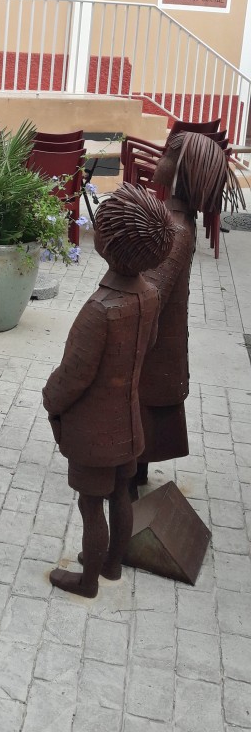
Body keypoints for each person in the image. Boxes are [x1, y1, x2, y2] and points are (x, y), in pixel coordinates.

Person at [42, 183, 175, 598]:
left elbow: (73, 375)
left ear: (107, 241)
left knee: (90, 505)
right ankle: (112, 564)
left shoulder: (100, 310)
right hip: (128, 424)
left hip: (94, 431)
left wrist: (50, 399)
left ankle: (88, 580)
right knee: (120, 491)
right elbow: (148, 345)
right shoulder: (149, 296)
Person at [135, 131, 227, 488]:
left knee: (139, 407)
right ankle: (136, 471)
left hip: (152, 348)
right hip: (161, 346)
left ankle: (128, 478)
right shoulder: (177, 221)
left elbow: (150, 295)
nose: (159, 159)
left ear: (183, 169)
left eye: (166, 154)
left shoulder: (173, 230)